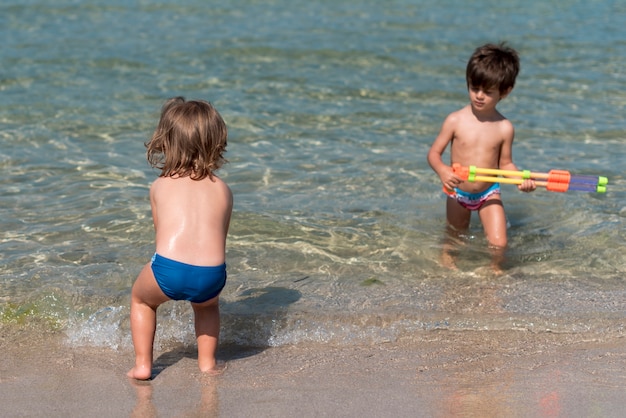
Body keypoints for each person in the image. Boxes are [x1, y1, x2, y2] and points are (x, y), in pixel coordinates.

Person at [127, 97, 233, 380]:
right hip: (212, 275)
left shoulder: (160, 185)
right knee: (208, 306)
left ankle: (142, 366)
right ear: (216, 141)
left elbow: (160, 233)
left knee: (141, 300)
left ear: (165, 141)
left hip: (169, 269)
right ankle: (207, 364)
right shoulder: (223, 189)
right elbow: (220, 236)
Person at [427, 43, 535, 270]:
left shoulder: (504, 127)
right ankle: (448, 269)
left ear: (505, 91)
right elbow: (434, 154)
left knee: (499, 243)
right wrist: (443, 171)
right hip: (458, 192)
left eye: (488, 92)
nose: (479, 96)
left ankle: (494, 270)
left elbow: (506, 164)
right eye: (474, 88)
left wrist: (520, 180)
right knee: (455, 237)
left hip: (489, 192)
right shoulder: (455, 120)